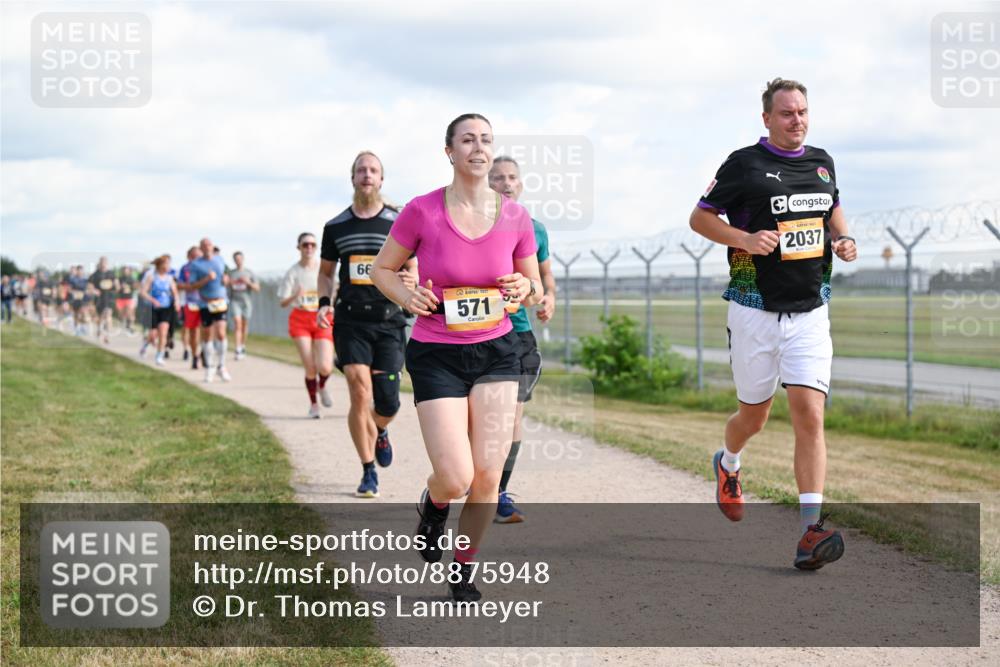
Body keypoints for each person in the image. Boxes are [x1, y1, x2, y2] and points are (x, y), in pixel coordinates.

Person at [689, 78, 858, 571]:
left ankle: (811, 530)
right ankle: (728, 461)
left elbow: (832, 208)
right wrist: (744, 238)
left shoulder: (822, 162)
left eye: (802, 111)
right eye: (786, 113)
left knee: (810, 416)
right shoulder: (744, 164)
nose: (796, 120)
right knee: (754, 418)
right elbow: (700, 219)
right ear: (767, 118)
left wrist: (843, 238)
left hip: (810, 311)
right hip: (754, 309)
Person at [372, 113, 541, 602]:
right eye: (467, 140)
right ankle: (435, 501)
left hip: (498, 351)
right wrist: (407, 298)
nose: (478, 147)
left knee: (488, 474)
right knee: (456, 476)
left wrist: (523, 287)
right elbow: (383, 270)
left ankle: (464, 567)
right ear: (450, 151)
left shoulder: (516, 216)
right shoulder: (422, 211)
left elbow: (532, 287)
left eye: (486, 139)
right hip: (437, 353)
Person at [317, 151, 418, 499]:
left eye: (373, 170)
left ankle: (380, 428)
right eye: (361, 170)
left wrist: (411, 280)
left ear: (381, 179)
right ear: (353, 178)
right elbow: (326, 273)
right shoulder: (336, 226)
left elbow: (412, 266)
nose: (367, 175)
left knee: (388, 403)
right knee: (359, 391)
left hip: (389, 320)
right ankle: (367, 470)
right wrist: (323, 302)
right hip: (350, 320)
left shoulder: (397, 222)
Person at [487, 156, 558, 524]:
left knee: (512, 418)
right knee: (480, 419)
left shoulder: (535, 229)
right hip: (477, 333)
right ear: (487, 184)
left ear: (521, 184)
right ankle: (470, 479)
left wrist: (549, 297)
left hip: (517, 333)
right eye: (498, 178)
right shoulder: (473, 224)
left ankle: (498, 493)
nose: (506, 184)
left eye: (512, 177)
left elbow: (545, 276)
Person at [279, 233, 334, 420]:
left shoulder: (323, 269)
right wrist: (295, 295)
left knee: (325, 367)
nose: (309, 247)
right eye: (305, 245)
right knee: (310, 367)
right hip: (300, 319)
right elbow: (282, 302)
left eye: (312, 244)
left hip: (322, 318)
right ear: (299, 248)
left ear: (316, 247)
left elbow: (336, 289)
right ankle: (314, 405)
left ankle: (322, 385)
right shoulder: (293, 272)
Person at [188, 239, 232, 382]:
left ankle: (222, 366)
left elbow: (226, 275)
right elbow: (193, 285)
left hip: (221, 301)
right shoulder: (196, 264)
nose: (207, 248)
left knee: (221, 333)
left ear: (213, 247)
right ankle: (210, 367)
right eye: (204, 246)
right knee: (207, 335)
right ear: (201, 248)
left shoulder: (220, 259)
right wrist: (206, 279)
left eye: (209, 245)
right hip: (205, 303)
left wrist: (226, 279)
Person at [139, 255, 180, 366]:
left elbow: (175, 292)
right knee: (153, 334)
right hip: (153, 308)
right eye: (166, 264)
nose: (168, 266)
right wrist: (153, 300)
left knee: (163, 332)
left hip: (166, 308)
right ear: (160, 265)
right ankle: (145, 345)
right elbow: (143, 292)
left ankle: (159, 356)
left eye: (169, 264)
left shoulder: (169, 278)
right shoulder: (152, 277)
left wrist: (176, 302)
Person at [177, 247, 205, 370]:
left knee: (207, 330)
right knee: (193, 330)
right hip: (191, 302)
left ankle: (204, 351)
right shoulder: (185, 269)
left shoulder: (207, 267)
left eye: (198, 256)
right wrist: (191, 286)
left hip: (206, 302)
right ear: (189, 257)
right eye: (194, 256)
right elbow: (179, 285)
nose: (196, 258)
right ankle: (194, 356)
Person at [228, 251, 260, 361]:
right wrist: (231, 282)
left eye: (240, 259)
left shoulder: (249, 273)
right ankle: (237, 349)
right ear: (234, 260)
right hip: (235, 301)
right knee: (237, 324)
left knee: (245, 325)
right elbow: (225, 284)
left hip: (246, 302)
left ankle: (242, 345)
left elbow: (257, 288)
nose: (238, 261)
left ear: (243, 259)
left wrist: (248, 282)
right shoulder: (231, 273)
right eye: (236, 259)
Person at [88, 257, 117, 344]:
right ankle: (99, 330)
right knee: (100, 318)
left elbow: (116, 284)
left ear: (107, 263)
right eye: (102, 262)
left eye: (105, 262)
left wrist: (117, 286)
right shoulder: (95, 275)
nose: (103, 264)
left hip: (109, 298)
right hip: (99, 299)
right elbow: (90, 286)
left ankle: (107, 336)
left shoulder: (111, 274)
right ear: (99, 263)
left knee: (108, 315)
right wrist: (94, 290)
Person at [115, 266, 138, 335]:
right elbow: (117, 289)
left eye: (127, 270)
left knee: (129, 312)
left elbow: (135, 287)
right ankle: (122, 325)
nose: (125, 271)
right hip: (121, 298)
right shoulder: (119, 279)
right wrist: (119, 287)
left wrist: (132, 287)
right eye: (124, 270)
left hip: (129, 298)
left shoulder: (132, 279)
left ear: (129, 271)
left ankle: (130, 326)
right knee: (121, 314)